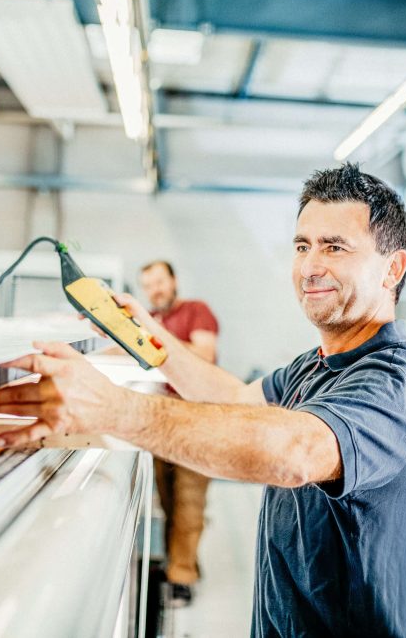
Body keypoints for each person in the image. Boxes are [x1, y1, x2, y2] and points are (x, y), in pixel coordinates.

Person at [0, 163, 406, 637]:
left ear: (393, 268)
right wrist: (145, 335)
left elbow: (296, 453)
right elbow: (235, 398)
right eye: (303, 246)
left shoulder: (397, 383)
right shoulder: (316, 364)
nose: (310, 266)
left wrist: (114, 408)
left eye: (334, 247)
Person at [138, 259, 219, 607]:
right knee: (168, 502)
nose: (155, 289)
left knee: (189, 501)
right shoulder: (153, 321)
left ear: (174, 280)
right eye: (148, 284)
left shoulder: (196, 311)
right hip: (162, 420)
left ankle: (181, 578)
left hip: (197, 419)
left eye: (160, 280)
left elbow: (205, 352)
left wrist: (156, 340)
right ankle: (184, 562)